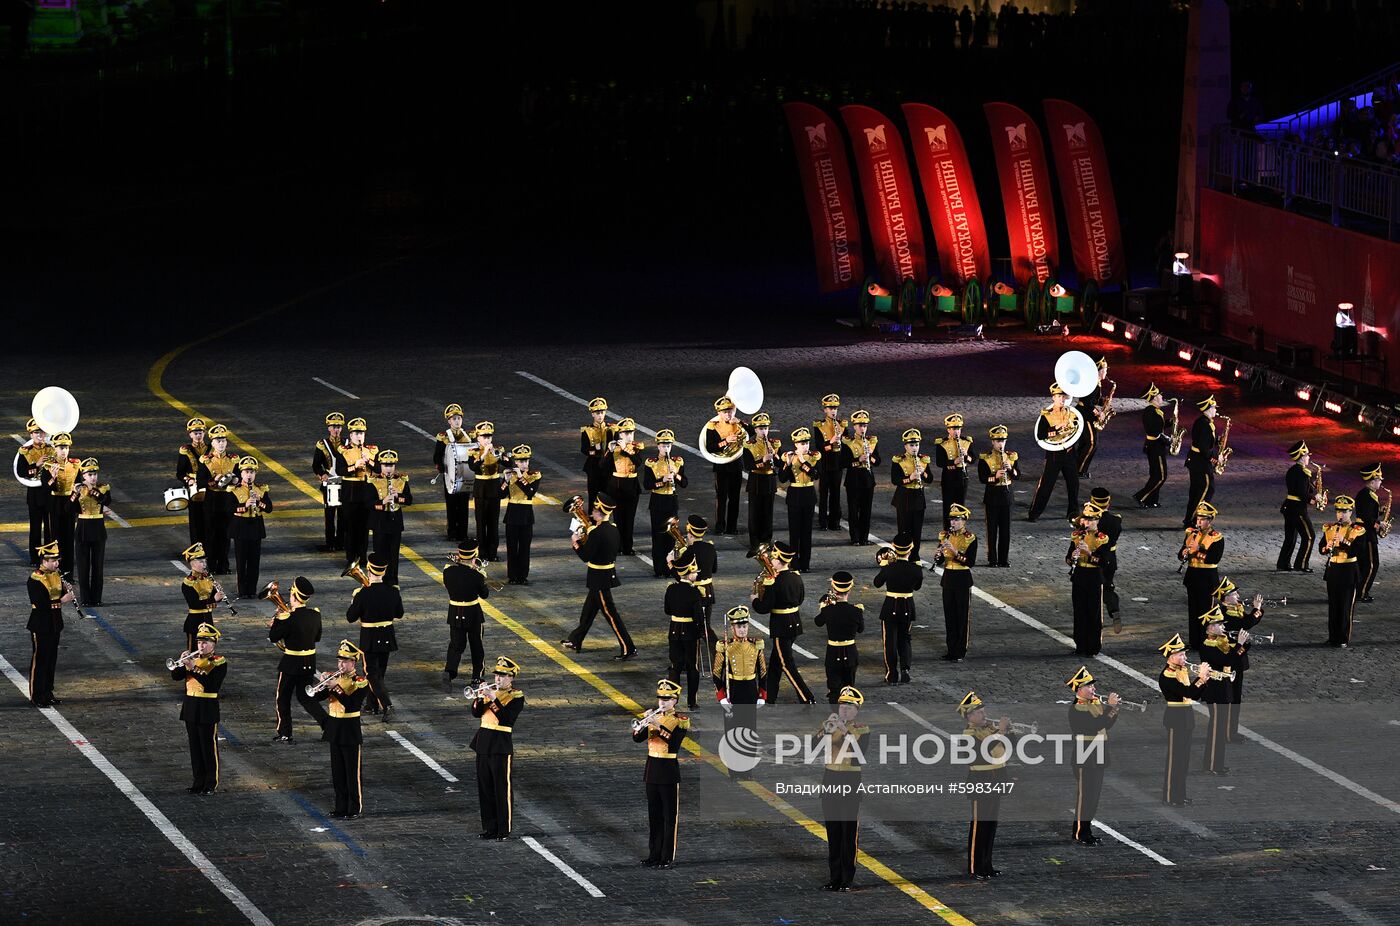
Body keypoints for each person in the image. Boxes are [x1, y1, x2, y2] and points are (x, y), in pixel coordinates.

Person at [562, 493, 636, 658]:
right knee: (588, 612)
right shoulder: (613, 528)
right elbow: (601, 549)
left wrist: (576, 542)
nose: (592, 513)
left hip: (599, 577)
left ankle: (628, 647)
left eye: (594, 510)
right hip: (604, 574)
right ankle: (576, 639)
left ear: (599, 512)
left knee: (611, 615)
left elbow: (586, 556)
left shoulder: (596, 532)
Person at [633, 679, 690, 869]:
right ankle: (653, 854)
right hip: (651, 771)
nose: (662, 703)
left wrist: (657, 725)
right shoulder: (652, 717)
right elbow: (637, 738)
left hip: (668, 771)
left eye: (667, 699)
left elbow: (673, 744)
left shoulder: (679, 721)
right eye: (660, 699)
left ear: (675, 701)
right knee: (654, 816)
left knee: (668, 816)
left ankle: (666, 857)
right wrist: (641, 725)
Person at [311, 640, 370, 819]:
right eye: (339, 661)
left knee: (352, 773)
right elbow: (317, 698)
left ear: (353, 662)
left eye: (345, 661)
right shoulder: (336, 679)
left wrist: (335, 687)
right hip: (334, 729)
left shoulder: (359, 682)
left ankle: (354, 808)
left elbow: (352, 705)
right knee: (337, 773)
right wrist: (323, 684)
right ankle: (340, 806)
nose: (341, 665)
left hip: (349, 730)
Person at [818, 686, 869, 892]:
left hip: (850, 780)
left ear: (857, 710)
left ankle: (847, 878)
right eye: (842, 705)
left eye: (849, 707)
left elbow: (860, 754)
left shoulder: (862, 729)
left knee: (849, 832)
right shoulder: (829, 725)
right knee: (833, 832)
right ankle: (834, 877)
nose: (844, 710)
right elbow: (812, 749)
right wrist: (825, 731)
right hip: (830, 779)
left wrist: (845, 730)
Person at [469, 656, 524, 840]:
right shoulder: (489, 692)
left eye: (502, 675)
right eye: (497, 675)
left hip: (500, 745)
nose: (498, 679)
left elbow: (507, 718)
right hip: (483, 744)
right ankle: (490, 828)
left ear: (511, 678)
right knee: (485, 789)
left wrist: (494, 699)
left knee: (502, 789)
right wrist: (479, 696)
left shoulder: (516, 696)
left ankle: (503, 829)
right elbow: (476, 713)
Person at [268, 576, 329, 742]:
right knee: (305, 697)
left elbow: (273, 637)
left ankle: (285, 732)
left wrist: (275, 622)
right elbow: (317, 637)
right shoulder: (315, 615)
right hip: (309, 661)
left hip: (291, 664)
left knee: (282, 698)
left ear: (294, 595)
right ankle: (327, 725)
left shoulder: (288, 618)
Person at [753, 541, 814, 704]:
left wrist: (754, 600)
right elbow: (800, 599)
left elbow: (764, 607)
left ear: (779, 561)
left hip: (781, 626)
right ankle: (769, 696)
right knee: (775, 664)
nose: (770, 561)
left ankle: (806, 697)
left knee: (787, 665)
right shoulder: (796, 577)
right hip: (794, 622)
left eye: (773, 559)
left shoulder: (774, 581)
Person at [958, 692, 1011, 880]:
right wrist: (1001, 732)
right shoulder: (969, 734)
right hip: (980, 781)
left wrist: (1009, 732)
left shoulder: (989, 730)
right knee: (979, 826)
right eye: (979, 712)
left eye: (983, 711)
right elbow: (984, 751)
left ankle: (987, 865)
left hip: (996, 779)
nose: (984, 715)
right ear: (969, 716)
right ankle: (975, 866)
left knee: (991, 826)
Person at [171, 623, 227, 795]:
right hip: (190, 708)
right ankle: (198, 782)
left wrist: (192, 668)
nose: (201, 646)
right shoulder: (193, 659)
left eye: (205, 642)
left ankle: (211, 783)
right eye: (199, 642)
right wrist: (181, 663)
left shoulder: (218, 662)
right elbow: (175, 676)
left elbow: (211, 685)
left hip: (207, 708)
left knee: (208, 748)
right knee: (195, 748)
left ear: (213, 644)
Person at [1065, 666, 1119, 845]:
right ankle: (1080, 832)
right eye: (1089, 686)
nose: (1094, 689)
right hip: (1085, 754)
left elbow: (1105, 726)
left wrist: (1113, 711)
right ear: (1080, 689)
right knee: (1085, 797)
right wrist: (1110, 707)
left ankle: (1086, 831)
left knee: (1093, 796)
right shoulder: (1077, 709)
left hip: (1098, 753)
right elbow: (1095, 725)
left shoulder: (1094, 704)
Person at [346, 554, 403, 719]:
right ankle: (371, 705)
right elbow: (399, 614)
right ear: (384, 572)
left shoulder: (362, 594)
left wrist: (354, 601)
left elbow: (350, 617)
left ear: (369, 569)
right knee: (380, 672)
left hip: (370, 637)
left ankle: (386, 704)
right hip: (387, 634)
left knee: (371, 673)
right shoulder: (393, 591)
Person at [1156, 634, 1208, 806]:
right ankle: (1170, 796)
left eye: (1184, 655)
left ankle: (1180, 795)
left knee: (1184, 760)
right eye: (1181, 655)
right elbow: (1189, 692)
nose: (1185, 658)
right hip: (1175, 718)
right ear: (1171, 656)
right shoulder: (1167, 676)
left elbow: (1195, 696)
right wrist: (1200, 679)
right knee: (1174, 761)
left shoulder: (1181, 670)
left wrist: (1204, 680)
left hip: (1186, 717)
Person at [714, 606, 766, 778]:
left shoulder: (756, 645)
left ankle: (748, 770)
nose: (743, 629)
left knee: (749, 732)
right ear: (732, 628)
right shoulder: (725, 647)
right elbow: (716, 674)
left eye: (745, 626)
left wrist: (762, 695)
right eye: (739, 627)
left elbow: (763, 672)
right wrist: (722, 697)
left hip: (750, 691)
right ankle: (734, 770)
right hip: (733, 692)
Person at [1215, 577, 1262, 743]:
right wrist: (1257, 609)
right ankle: (1229, 732)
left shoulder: (1234, 609)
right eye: (1234, 593)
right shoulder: (1227, 614)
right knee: (1232, 698)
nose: (1238, 595)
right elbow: (1246, 624)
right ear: (1226, 597)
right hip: (1232, 658)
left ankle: (1230, 731)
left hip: (1237, 656)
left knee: (1235, 698)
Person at [1197, 608, 1241, 775]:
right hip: (1215, 690)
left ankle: (1217, 763)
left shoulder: (1221, 642)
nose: (1223, 626)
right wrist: (1239, 645)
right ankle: (1212, 765)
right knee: (1216, 729)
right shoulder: (1208, 645)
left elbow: (1236, 658)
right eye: (1218, 624)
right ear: (1209, 628)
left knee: (1220, 729)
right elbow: (1227, 659)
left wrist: (1243, 643)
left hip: (1224, 688)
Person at [27, 541, 71, 706]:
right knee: (40, 660)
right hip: (40, 624)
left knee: (51, 659)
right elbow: (41, 604)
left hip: (55, 624)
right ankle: (36, 695)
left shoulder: (57, 575)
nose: (56, 563)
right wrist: (62, 601)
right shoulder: (35, 579)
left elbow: (60, 591)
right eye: (53, 561)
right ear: (43, 561)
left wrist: (67, 589)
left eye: (57, 560)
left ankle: (47, 692)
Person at [441, 541, 491, 689]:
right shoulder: (477, 575)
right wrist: (480, 573)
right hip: (473, 613)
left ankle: (449, 672)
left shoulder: (448, 571)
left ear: (459, 555)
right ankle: (477, 676)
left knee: (456, 644)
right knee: (476, 645)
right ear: (474, 556)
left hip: (454, 611)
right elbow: (485, 594)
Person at [1028, 384, 1080, 522]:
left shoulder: (1072, 413)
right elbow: (1040, 435)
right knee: (1046, 485)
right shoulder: (1046, 415)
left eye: (1063, 397)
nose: (1062, 400)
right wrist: (1056, 429)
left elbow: (1078, 430)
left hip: (1069, 454)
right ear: (1053, 398)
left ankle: (1073, 512)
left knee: (1073, 484)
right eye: (1058, 397)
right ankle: (1034, 513)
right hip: (1054, 455)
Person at [874, 534, 922, 680]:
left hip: (890, 605)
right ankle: (905, 670)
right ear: (910, 549)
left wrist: (884, 566)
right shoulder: (916, 569)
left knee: (890, 641)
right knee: (905, 638)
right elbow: (917, 586)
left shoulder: (890, 568)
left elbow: (877, 583)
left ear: (894, 548)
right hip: (907, 605)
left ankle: (892, 673)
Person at [1320, 495, 1365, 647]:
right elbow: (1321, 548)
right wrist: (1327, 547)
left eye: (1344, 511)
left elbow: (1358, 551)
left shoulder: (1357, 530)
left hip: (1348, 571)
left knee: (1345, 607)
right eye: (1338, 511)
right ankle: (1332, 637)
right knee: (1333, 606)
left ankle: (1343, 639)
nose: (1341, 514)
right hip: (1333, 571)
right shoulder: (1330, 529)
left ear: (1350, 512)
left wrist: (1344, 542)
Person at [642, 429, 688, 577]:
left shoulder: (678, 462)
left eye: (668, 446)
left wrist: (676, 475)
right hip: (658, 501)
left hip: (671, 501)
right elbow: (647, 485)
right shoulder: (651, 464)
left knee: (672, 537)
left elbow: (685, 483)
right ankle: (659, 568)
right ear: (658, 446)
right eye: (663, 446)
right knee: (658, 537)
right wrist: (662, 481)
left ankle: (670, 567)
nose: (666, 448)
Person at [1179, 502, 1225, 648]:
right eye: (1198, 518)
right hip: (1192, 577)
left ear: (1209, 520)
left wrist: (1198, 550)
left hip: (1207, 578)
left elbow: (1214, 558)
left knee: (1206, 611)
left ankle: (1205, 640)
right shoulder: (1191, 533)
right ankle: (1194, 641)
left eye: (1203, 519)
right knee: (1192, 611)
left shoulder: (1216, 537)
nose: (1199, 522)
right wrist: (1183, 553)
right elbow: (1180, 553)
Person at [664, 550, 706, 709]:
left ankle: (672, 700)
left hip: (674, 629)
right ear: (689, 574)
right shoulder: (695, 592)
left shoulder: (671, 589)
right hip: (689, 631)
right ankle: (692, 701)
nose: (696, 574)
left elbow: (667, 610)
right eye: (694, 571)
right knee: (691, 667)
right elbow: (698, 617)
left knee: (675, 666)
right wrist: (702, 631)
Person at [813, 572, 864, 703]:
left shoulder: (828, 610)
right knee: (849, 689)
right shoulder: (856, 610)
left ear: (834, 588)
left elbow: (818, 622)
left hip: (833, 652)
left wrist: (823, 608)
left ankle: (834, 716)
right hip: (850, 652)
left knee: (834, 689)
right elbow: (861, 629)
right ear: (850, 589)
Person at [1066, 504, 1110, 657]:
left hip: (1093, 577)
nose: (1087, 523)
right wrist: (1072, 557)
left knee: (1093, 613)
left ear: (1097, 521)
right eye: (1085, 519)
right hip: (1079, 575)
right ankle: (1080, 645)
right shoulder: (1077, 536)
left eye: (1091, 520)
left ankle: (1092, 647)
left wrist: (1088, 553)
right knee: (1079, 612)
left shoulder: (1102, 539)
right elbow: (1067, 557)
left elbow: (1104, 561)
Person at [197, 424, 240, 575]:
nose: (221, 443)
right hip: (212, 501)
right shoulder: (206, 460)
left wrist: (235, 481)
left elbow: (239, 479)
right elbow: (200, 481)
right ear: (212, 443)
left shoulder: (234, 460)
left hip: (227, 500)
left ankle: (224, 565)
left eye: (223, 440)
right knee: (211, 534)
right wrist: (214, 480)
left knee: (226, 535)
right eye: (217, 441)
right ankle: (211, 565)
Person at [936, 505, 978, 661]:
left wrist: (955, 552)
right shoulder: (944, 536)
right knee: (950, 616)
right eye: (951, 519)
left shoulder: (970, 538)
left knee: (961, 617)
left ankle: (960, 651)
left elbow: (970, 562)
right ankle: (951, 649)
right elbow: (940, 560)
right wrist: (938, 555)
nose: (952, 523)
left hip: (962, 579)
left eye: (956, 520)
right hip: (947, 579)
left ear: (964, 521)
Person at [704, 396, 749, 534]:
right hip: (721, 466)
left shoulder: (738, 424)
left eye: (730, 411)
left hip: (736, 465)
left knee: (735, 497)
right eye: (725, 412)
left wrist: (740, 422)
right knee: (721, 497)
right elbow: (710, 447)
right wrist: (726, 441)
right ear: (719, 413)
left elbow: (752, 432)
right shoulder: (713, 427)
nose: (728, 414)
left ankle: (732, 527)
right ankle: (720, 526)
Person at [338, 418, 378, 569]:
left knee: (364, 528)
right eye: (356, 433)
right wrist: (354, 466)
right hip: (350, 493)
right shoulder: (344, 451)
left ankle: (362, 557)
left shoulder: (372, 450)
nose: (359, 436)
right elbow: (339, 470)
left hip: (366, 492)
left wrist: (370, 462)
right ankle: (351, 558)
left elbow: (379, 469)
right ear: (351, 435)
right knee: (350, 528)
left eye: (361, 433)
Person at [229, 456, 271, 599]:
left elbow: (269, 508)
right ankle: (242, 590)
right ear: (241, 474)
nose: (249, 475)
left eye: (252, 472)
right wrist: (244, 505)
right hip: (241, 528)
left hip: (255, 527)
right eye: (246, 472)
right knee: (241, 561)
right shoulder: (234, 490)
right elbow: (229, 508)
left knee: (254, 561)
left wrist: (259, 502)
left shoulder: (261, 490)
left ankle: (251, 590)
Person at [70, 457, 110, 607]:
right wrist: (75, 495)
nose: (94, 477)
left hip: (98, 529)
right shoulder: (77, 489)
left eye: (95, 474)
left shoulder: (103, 487)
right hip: (83, 529)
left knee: (98, 566)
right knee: (83, 566)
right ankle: (86, 599)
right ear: (84, 475)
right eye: (90, 475)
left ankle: (97, 598)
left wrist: (92, 492)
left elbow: (106, 501)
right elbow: (69, 509)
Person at [779, 427, 821, 572]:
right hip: (794, 496)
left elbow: (815, 475)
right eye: (802, 443)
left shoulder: (814, 457)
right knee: (794, 532)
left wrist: (803, 462)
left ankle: (805, 564)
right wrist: (789, 464)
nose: (805, 446)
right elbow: (782, 479)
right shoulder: (788, 457)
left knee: (806, 533)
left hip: (808, 495)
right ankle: (794, 564)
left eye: (807, 443)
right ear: (796, 444)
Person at [368, 449, 411, 587]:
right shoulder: (373, 481)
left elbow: (409, 500)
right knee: (380, 553)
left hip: (395, 521)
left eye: (391, 465)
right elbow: (368, 502)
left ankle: (393, 581)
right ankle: (379, 581)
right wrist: (383, 502)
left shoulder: (401, 480)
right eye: (386, 465)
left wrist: (398, 497)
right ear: (380, 465)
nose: (388, 468)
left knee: (394, 554)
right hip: (380, 522)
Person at [977, 425, 1018, 567]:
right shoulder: (985, 458)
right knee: (992, 530)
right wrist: (995, 476)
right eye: (998, 441)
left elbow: (1018, 475)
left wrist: (1010, 469)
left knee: (1006, 530)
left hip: (1007, 497)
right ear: (992, 442)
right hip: (992, 497)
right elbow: (982, 478)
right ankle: (992, 559)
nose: (1001, 444)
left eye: (1003, 441)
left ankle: (1003, 559)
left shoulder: (1011, 457)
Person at [890, 428, 934, 560]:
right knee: (904, 529)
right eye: (912, 445)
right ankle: (902, 555)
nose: (915, 448)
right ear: (906, 446)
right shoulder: (898, 460)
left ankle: (915, 556)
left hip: (918, 498)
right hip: (904, 497)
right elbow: (895, 480)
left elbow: (930, 479)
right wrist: (910, 478)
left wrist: (922, 473)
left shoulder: (923, 460)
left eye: (916, 445)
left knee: (917, 530)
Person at [742, 412, 780, 555]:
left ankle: (766, 542)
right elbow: (748, 465)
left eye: (766, 428)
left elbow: (780, 464)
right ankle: (755, 544)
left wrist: (775, 456)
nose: (764, 431)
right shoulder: (749, 445)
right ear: (756, 430)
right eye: (761, 428)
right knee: (754, 515)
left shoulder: (775, 444)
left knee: (767, 514)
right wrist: (763, 460)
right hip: (756, 482)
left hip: (769, 482)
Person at [502, 445, 541, 585]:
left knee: (525, 548)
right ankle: (512, 576)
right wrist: (506, 481)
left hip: (526, 516)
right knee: (511, 548)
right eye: (521, 461)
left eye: (526, 461)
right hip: (512, 514)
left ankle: (522, 576)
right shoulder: (510, 475)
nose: (525, 464)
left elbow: (530, 492)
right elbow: (500, 494)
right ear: (516, 462)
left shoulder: (534, 475)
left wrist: (519, 476)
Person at [468, 421, 506, 562]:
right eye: (484, 437)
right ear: (478, 438)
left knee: (493, 523)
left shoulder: (498, 450)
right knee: (481, 522)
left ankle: (492, 552)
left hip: (494, 489)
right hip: (481, 490)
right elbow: (474, 467)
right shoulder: (473, 452)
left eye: (489, 437)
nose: (487, 439)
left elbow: (509, 464)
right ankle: (482, 552)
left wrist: (499, 456)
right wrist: (484, 454)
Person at [840, 410, 880, 545]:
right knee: (853, 510)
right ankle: (855, 538)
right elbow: (843, 462)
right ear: (854, 427)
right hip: (853, 480)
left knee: (866, 511)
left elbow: (878, 461)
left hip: (868, 480)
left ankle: (864, 537)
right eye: (860, 426)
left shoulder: (872, 442)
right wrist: (858, 459)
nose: (863, 428)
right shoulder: (848, 442)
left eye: (865, 426)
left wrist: (871, 457)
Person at [433, 404, 472, 542]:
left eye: (459, 418)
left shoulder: (469, 435)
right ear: (449, 421)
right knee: (451, 503)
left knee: (463, 503)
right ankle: (452, 532)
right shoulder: (444, 437)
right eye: (454, 419)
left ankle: (463, 532)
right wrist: (442, 467)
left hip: (465, 473)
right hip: (450, 474)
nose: (457, 421)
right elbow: (437, 456)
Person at [1277, 440, 1317, 573]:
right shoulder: (1301, 472)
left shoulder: (1295, 471)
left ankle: (1283, 563)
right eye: (1306, 455)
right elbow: (1300, 492)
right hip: (1298, 509)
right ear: (1301, 456)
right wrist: (1311, 499)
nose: (1308, 458)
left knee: (1290, 537)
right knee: (1309, 536)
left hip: (1289, 507)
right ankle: (1302, 564)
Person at [42, 433, 79, 575]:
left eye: (66, 447)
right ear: (55, 449)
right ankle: (56, 571)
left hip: (69, 502)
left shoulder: (75, 465)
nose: (64, 451)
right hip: (55, 503)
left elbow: (79, 483)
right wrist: (53, 477)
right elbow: (46, 487)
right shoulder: (48, 466)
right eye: (61, 447)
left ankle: (68, 572)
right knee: (56, 538)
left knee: (69, 538)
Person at [18, 419, 54, 566]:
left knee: (49, 529)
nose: (39, 435)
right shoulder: (26, 452)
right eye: (36, 432)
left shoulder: (51, 449)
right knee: (35, 528)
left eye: (41, 432)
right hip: (34, 495)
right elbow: (21, 472)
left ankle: (49, 557)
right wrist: (36, 465)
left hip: (49, 494)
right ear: (31, 434)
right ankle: (34, 558)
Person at [180, 543, 227, 652]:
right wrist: (214, 599)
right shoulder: (188, 583)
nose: (204, 564)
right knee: (193, 651)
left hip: (208, 619)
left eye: (204, 561)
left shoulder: (207, 578)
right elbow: (194, 604)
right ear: (193, 564)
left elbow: (212, 596)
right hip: (195, 622)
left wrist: (218, 594)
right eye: (201, 562)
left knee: (209, 650)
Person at [1183, 396, 1221, 528]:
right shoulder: (1204, 424)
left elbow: (1204, 440)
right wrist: (1216, 457)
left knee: (1196, 491)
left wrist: (1217, 440)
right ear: (1209, 408)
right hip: (1200, 463)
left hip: (1196, 461)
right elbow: (1204, 448)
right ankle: (1194, 519)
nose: (1216, 410)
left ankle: (1190, 519)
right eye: (1214, 407)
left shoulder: (1203, 421)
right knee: (1206, 490)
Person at [812, 393, 848, 531]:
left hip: (837, 464)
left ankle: (835, 522)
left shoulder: (842, 425)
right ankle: (822, 522)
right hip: (825, 464)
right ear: (825, 410)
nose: (833, 410)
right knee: (823, 494)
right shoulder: (819, 426)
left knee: (836, 494)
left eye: (835, 408)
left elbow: (848, 444)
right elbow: (820, 446)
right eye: (830, 408)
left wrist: (842, 441)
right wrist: (832, 441)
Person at [1089, 488, 1122, 633]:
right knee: (1108, 587)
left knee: (1092, 590)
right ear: (1108, 503)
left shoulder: (1091, 520)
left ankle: (1096, 621)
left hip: (1094, 559)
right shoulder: (1116, 520)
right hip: (1111, 558)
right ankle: (1114, 609)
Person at [1132, 385, 1170, 508]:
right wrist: (1168, 440)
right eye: (1159, 395)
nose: (1161, 396)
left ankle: (1152, 500)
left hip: (1155, 447)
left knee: (1155, 475)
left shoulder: (1155, 410)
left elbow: (1159, 426)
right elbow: (1154, 432)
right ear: (1154, 398)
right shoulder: (1150, 412)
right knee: (1161, 476)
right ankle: (1141, 496)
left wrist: (1171, 422)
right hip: (1155, 447)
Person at [935, 413, 974, 531]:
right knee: (948, 505)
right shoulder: (942, 443)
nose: (956, 432)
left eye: (958, 429)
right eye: (954, 429)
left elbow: (973, 459)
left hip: (962, 477)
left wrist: (966, 456)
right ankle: (947, 530)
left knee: (961, 504)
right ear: (948, 429)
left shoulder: (966, 442)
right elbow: (940, 462)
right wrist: (953, 462)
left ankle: (960, 529)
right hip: (948, 478)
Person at [313, 412, 346, 552]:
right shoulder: (322, 444)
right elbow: (315, 465)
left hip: (345, 482)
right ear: (329, 428)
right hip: (331, 481)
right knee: (330, 514)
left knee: (343, 514)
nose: (336, 429)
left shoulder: (347, 444)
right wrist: (322, 474)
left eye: (338, 426)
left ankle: (341, 542)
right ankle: (330, 542)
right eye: (334, 426)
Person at [176, 417, 210, 548]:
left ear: (204, 433)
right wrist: (188, 480)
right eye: (195, 433)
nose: (198, 435)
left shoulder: (211, 448)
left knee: (210, 517)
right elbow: (180, 473)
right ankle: (197, 546)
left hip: (208, 486)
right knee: (196, 519)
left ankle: (209, 546)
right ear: (190, 434)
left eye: (200, 432)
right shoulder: (185, 450)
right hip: (193, 488)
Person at [1354, 463, 1384, 602]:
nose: (1380, 482)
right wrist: (1378, 524)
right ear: (1372, 481)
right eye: (1379, 480)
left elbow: (1367, 512)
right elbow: (1366, 517)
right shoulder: (1366, 495)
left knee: (1363, 563)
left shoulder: (1366, 494)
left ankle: (1358, 591)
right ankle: (1362, 592)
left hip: (1363, 532)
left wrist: (1379, 512)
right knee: (1371, 564)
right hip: (1366, 534)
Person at [579, 397, 614, 513]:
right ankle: (593, 522)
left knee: (607, 495)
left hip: (608, 466)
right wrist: (595, 449)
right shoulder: (587, 431)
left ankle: (605, 520)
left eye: (602, 412)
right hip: (594, 466)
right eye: (597, 413)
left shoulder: (612, 429)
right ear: (592, 414)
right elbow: (584, 450)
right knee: (593, 495)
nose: (600, 415)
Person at [1076, 357, 1108, 479]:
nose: (1106, 372)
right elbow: (1086, 401)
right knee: (1091, 443)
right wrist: (1098, 412)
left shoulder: (1096, 383)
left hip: (1087, 413)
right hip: (1085, 415)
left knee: (1086, 443)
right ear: (1099, 371)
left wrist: (1102, 401)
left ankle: (1077, 467)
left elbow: (1092, 399)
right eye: (1105, 370)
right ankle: (1079, 470)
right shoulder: (1093, 383)